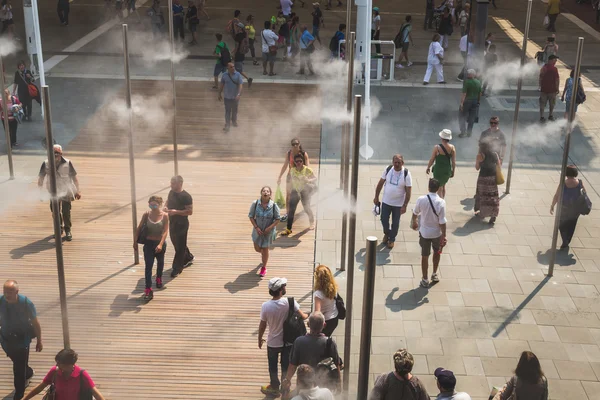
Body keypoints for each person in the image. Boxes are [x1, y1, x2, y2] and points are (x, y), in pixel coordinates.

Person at [259, 277, 309, 398]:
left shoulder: (265, 306)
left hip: (272, 342)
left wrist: (259, 338)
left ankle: (274, 387)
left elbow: (263, 324)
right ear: (281, 290)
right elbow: (303, 316)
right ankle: (285, 389)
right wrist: (309, 314)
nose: (285, 287)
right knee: (286, 367)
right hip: (288, 342)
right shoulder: (290, 302)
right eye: (284, 285)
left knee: (272, 366)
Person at [0, 280, 43, 400]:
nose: (7, 294)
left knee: (18, 368)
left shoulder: (26, 303)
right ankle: (28, 372)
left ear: (17, 292)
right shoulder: (1, 300)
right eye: (5, 291)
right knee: (17, 362)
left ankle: (19, 393)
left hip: (21, 341)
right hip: (5, 339)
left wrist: (39, 340)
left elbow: (35, 323)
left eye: (10, 291)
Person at [283, 312, 341, 394]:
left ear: (308, 324)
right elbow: (337, 364)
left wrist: (287, 380)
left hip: (304, 385)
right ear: (324, 325)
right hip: (324, 386)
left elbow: (292, 365)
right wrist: (339, 385)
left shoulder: (299, 341)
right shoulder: (330, 342)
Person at [22, 349, 105, 400]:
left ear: (69, 365)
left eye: (59, 363)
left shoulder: (82, 375)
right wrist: (25, 399)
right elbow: (40, 387)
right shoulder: (55, 371)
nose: (57, 365)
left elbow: (96, 394)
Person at [38, 144, 82, 241]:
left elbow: (74, 178)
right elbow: (41, 178)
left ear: (61, 153)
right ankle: (58, 229)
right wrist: (40, 192)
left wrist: (77, 191)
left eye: (57, 153)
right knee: (55, 212)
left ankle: (68, 230)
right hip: (53, 192)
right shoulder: (46, 163)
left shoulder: (67, 162)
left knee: (66, 212)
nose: (55, 155)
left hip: (66, 191)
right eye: (53, 153)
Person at [411, 179, 447, 288]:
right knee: (437, 253)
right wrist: (444, 236)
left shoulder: (421, 199)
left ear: (428, 187)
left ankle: (425, 278)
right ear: (438, 189)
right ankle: (434, 273)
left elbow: (415, 213)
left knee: (424, 255)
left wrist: (414, 222)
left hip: (424, 233)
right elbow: (442, 221)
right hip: (437, 233)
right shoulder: (441, 202)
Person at [374, 154, 413, 249]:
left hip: (398, 204)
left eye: (399, 162)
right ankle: (387, 233)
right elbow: (380, 183)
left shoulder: (406, 174)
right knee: (383, 220)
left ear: (402, 163)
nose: (396, 164)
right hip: (386, 201)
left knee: (395, 223)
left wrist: (405, 205)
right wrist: (376, 197)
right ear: (392, 162)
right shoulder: (388, 169)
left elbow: (408, 191)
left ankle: (392, 239)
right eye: (395, 162)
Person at [135, 196, 169, 301]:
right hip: (148, 244)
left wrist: (160, 244)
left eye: (155, 205)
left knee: (160, 262)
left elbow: (165, 231)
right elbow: (139, 227)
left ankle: (159, 278)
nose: (153, 207)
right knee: (148, 266)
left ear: (160, 205)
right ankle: (148, 288)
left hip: (159, 243)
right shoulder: (146, 215)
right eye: (151, 205)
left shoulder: (165, 216)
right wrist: (135, 242)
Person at [164, 175, 194, 277]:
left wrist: (175, 212)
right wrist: (165, 206)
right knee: (176, 243)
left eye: (173, 183)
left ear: (180, 184)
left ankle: (177, 268)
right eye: (171, 183)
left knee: (180, 246)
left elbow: (190, 211)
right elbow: (168, 201)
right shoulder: (171, 192)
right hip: (172, 222)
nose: (171, 185)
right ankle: (188, 257)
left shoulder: (186, 196)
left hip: (182, 224)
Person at [281, 153, 317, 235]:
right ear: (294, 162)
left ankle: (312, 222)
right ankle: (288, 229)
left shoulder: (307, 170)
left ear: (303, 162)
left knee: (306, 208)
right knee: (291, 210)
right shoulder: (292, 170)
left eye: (300, 161)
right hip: (295, 191)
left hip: (304, 191)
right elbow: (290, 181)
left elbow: (315, 178)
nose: (299, 163)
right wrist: (289, 191)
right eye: (297, 161)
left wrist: (308, 180)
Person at [249, 186, 281, 277]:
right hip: (257, 231)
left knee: (265, 248)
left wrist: (269, 228)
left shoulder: (274, 205)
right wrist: (256, 227)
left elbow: (278, 219)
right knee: (257, 248)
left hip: (268, 232)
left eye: (267, 191)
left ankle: (264, 267)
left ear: (270, 194)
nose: (265, 192)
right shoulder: (255, 204)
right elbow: (251, 216)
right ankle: (263, 254)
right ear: (261, 193)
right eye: (264, 191)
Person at [551, 165, 585, 250]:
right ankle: (567, 240)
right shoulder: (580, 182)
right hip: (575, 209)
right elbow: (584, 194)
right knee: (572, 225)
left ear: (566, 173)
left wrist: (552, 205)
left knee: (561, 225)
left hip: (564, 208)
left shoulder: (563, 183)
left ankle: (565, 239)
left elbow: (556, 195)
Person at [277, 138, 310, 222]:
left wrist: (307, 178)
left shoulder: (304, 154)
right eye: (293, 144)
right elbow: (285, 165)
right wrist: (280, 176)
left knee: (302, 197)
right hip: (291, 177)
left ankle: (308, 214)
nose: (295, 146)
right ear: (291, 145)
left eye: (296, 144)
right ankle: (288, 213)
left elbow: (308, 167)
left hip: (301, 178)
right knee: (288, 196)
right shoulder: (289, 154)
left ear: (299, 144)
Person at [474, 141, 500, 224]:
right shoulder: (495, 154)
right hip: (492, 179)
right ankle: (493, 215)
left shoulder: (480, 156)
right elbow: (499, 165)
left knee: (483, 197)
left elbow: (477, 168)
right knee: (493, 197)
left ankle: (483, 213)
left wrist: (478, 160)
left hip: (483, 179)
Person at [426, 129, 456, 199]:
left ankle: (440, 204)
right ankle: (443, 201)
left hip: (438, 170)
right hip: (447, 170)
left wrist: (428, 167)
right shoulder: (452, 148)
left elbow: (432, 159)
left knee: (439, 188)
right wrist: (453, 171)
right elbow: (454, 162)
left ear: (442, 138)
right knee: (443, 186)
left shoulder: (437, 148)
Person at [313, 265, 339, 337]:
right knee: (327, 337)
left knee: (320, 340)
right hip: (334, 317)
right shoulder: (333, 287)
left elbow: (317, 313)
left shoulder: (318, 294)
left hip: (325, 321)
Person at [218, 62, 243, 133]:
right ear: (227, 68)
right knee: (227, 111)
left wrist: (239, 94)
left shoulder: (238, 75)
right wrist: (219, 93)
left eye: (233, 66)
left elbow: (241, 85)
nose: (233, 68)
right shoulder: (224, 75)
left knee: (234, 110)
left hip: (235, 97)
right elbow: (222, 84)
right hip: (227, 97)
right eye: (231, 67)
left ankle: (234, 121)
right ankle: (227, 124)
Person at [457, 69, 482, 138]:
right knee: (472, 117)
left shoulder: (467, 82)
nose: (467, 74)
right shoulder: (478, 82)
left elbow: (464, 94)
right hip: (475, 101)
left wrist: (462, 103)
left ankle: (463, 132)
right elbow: (480, 93)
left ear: (472, 75)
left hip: (467, 101)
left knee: (461, 116)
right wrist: (478, 101)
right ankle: (469, 132)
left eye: (468, 74)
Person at [539, 54, 560, 123]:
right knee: (552, 103)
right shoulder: (554, 69)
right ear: (551, 60)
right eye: (555, 60)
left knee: (542, 103)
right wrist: (557, 88)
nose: (556, 61)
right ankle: (550, 115)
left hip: (544, 89)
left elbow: (540, 77)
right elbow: (557, 79)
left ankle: (542, 116)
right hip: (552, 90)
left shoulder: (543, 67)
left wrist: (540, 86)